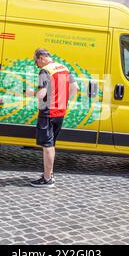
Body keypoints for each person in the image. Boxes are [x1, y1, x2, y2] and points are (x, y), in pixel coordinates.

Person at [26, 48, 79, 188]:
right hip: (60, 111)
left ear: (42, 57)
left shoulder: (45, 71)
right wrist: (63, 101)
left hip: (48, 112)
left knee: (47, 146)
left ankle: (47, 179)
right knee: (51, 144)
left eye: (36, 61)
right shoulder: (64, 68)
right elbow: (75, 88)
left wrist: (30, 93)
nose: (36, 64)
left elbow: (41, 94)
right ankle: (49, 174)